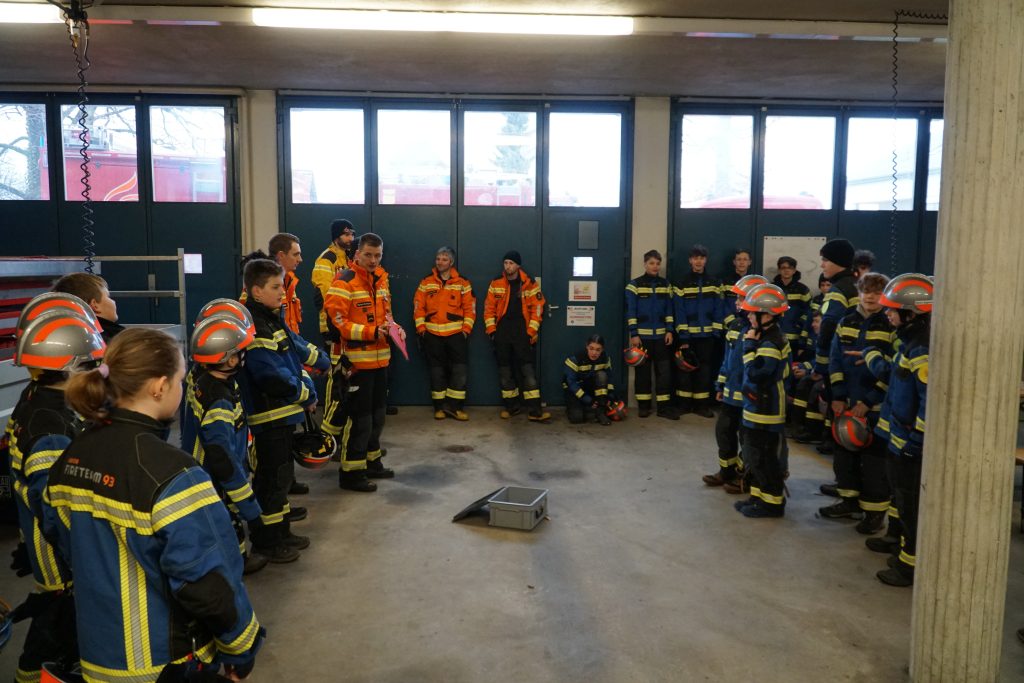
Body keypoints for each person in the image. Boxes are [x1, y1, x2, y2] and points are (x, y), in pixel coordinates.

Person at [42, 328, 264, 681]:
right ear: (159, 386)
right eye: (179, 380)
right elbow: (208, 587)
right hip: (165, 663)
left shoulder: (72, 456)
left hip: (97, 657)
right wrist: (241, 647)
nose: (181, 387)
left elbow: (60, 537)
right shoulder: (174, 474)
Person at [7, 299, 105, 682]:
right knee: (56, 627)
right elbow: (52, 508)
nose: (97, 372)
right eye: (90, 364)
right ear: (68, 367)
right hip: (59, 558)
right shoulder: (50, 426)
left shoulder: (37, 398)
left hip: (47, 543)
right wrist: (80, 555)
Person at [241, 258, 329, 559]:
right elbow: (270, 375)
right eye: (275, 287)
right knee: (271, 480)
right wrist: (305, 395)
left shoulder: (270, 318)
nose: (282, 292)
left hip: (282, 414)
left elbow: (291, 358)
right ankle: (267, 542)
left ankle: (281, 532)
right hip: (270, 416)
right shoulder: (257, 325)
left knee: (280, 479)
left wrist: (308, 383)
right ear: (256, 291)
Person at [181, 311, 269, 573]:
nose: (244, 356)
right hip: (215, 475)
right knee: (226, 518)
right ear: (230, 359)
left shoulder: (202, 379)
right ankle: (235, 563)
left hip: (205, 468)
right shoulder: (219, 400)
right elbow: (223, 457)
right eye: (241, 352)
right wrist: (251, 510)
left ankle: (237, 559)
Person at [864, 274, 932, 587]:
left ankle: (909, 566)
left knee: (910, 504)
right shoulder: (908, 341)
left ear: (912, 313)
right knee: (900, 497)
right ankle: (898, 544)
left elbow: (928, 403)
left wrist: (917, 441)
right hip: (898, 435)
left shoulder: (922, 349)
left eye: (893, 309)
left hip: (910, 442)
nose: (888, 313)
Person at [324, 233, 402, 492]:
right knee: (360, 421)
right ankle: (351, 473)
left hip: (381, 362)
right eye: (368, 254)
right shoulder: (344, 281)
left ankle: (372, 463)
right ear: (357, 254)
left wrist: (395, 329)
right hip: (357, 364)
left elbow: (387, 315)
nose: (373, 260)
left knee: (378, 417)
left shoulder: (381, 280)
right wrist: (371, 332)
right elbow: (338, 322)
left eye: (378, 255)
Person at [818, 273, 895, 534]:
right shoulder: (846, 321)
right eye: (866, 291)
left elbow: (891, 372)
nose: (870, 297)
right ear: (859, 293)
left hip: (875, 408)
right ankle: (849, 502)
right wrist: (838, 397)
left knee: (874, 464)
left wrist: (868, 401)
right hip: (846, 404)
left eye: (876, 292)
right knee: (844, 458)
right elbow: (835, 361)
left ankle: (874, 513)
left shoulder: (890, 325)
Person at [733, 284, 791, 519]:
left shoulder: (770, 342)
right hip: (757, 406)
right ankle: (758, 497)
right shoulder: (766, 336)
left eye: (752, 313)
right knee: (755, 456)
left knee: (766, 458)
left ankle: (772, 504)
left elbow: (758, 374)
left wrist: (748, 347)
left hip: (766, 410)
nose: (748, 316)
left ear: (766, 315)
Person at [705, 274, 766, 490]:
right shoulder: (736, 326)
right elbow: (728, 359)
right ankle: (727, 471)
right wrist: (721, 385)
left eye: (741, 298)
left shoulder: (763, 332)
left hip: (750, 396)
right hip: (731, 393)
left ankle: (746, 476)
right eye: (737, 298)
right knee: (723, 431)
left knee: (748, 438)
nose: (737, 302)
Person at [484, 251, 550, 422]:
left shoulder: (529, 283)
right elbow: (489, 308)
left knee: (528, 372)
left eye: (511, 263)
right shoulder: (496, 283)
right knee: (505, 372)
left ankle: (535, 411)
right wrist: (492, 331)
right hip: (502, 334)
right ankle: (511, 407)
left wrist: (530, 332)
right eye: (506, 263)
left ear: (518, 265)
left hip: (522, 334)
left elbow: (538, 309)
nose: (508, 266)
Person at [413, 246, 476, 420]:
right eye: (438, 259)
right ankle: (439, 408)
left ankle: (455, 408)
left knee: (459, 371)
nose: (440, 262)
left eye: (444, 259)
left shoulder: (463, 283)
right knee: (437, 372)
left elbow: (470, 309)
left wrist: (465, 330)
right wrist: (422, 329)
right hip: (432, 335)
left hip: (456, 335)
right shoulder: (426, 282)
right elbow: (418, 307)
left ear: (451, 262)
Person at [814, 239, 860, 456]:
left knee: (838, 407)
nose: (822, 265)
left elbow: (828, 329)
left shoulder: (838, 290)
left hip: (839, 361)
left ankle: (841, 456)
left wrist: (821, 365)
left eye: (825, 260)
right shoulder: (856, 285)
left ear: (838, 262)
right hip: (855, 359)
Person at [672, 244, 724, 418]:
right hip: (688, 336)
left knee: (705, 370)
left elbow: (719, 309)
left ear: (705, 260)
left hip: (707, 336)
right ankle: (684, 405)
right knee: (684, 370)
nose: (698, 261)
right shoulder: (681, 283)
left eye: (701, 258)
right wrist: (683, 336)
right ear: (690, 260)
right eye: (695, 258)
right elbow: (679, 311)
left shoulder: (715, 283)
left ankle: (701, 405)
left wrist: (715, 332)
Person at [625, 249, 675, 418]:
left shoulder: (665, 285)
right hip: (642, 338)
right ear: (645, 264)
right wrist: (634, 334)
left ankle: (663, 408)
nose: (655, 266)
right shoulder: (634, 285)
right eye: (652, 263)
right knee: (643, 374)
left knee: (664, 374)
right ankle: (643, 407)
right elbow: (631, 312)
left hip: (661, 338)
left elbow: (669, 310)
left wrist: (669, 330)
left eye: (658, 263)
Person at [240, 232, 304, 335]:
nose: (300, 259)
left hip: (289, 341)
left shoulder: (289, 281)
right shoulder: (261, 281)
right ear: (281, 255)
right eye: (295, 254)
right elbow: (246, 320)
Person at [312, 219, 357, 351]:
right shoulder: (327, 258)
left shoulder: (349, 258)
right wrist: (334, 321)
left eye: (352, 234)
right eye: (346, 235)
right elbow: (324, 294)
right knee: (334, 360)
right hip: (331, 324)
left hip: (347, 323)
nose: (351, 238)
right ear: (336, 237)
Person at [52, 271, 124, 342]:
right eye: (108, 296)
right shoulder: (117, 342)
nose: (113, 301)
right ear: (95, 305)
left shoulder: (59, 338)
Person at [563, 334, 615, 425]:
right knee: (576, 418)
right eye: (591, 348)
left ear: (602, 349)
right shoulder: (575, 359)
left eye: (598, 350)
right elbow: (571, 383)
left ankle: (600, 412)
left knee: (602, 375)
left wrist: (610, 395)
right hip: (575, 391)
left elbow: (609, 377)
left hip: (591, 388)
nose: (594, 353)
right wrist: (587, 399)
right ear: (587, 347)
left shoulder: (605, 358)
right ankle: (580, 410)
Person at [772, 256, 811, 349]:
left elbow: (809, 311)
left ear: (794, 270)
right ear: (779, 270)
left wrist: (799, 325)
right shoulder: (772, 288)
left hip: (795, 337)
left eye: (790, 268)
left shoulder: (803, 290)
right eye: (783, 268)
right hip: (774, 335)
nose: (786, 270)